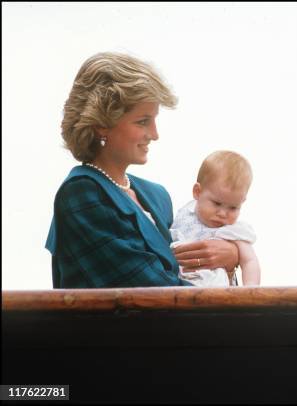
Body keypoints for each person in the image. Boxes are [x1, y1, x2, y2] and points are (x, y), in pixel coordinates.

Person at [45, 52, 238, 288]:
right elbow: (150, 292)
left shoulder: (157, 196)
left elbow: (188, 277)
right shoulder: (81, 193)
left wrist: (231, 256)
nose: (155, 134)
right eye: (143, 121)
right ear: (101, 125)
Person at [170, 150, 261, 287]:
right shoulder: (184, 214)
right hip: (175, 284)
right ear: (197, 192)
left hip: (214, 291)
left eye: (233, 208)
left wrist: (251, 289)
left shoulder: (234, 230)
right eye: (217, 203)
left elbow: (250, 261)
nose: (223, 214)